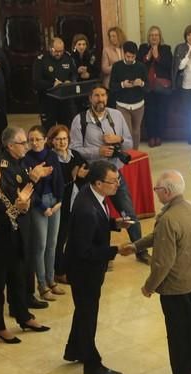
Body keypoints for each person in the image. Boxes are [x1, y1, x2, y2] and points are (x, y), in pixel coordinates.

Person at [129, 170, 191, 374]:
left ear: (166, 191)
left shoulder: (167, 219)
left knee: (178, 336)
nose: (155, 193)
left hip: (177, 290)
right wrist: (136, 246)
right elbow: (160, 237)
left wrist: (149, 286)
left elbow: (163, 262)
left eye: (157, 189)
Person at [63, 160, 131, 374]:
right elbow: (85, 251)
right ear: (99, 183)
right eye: (113, 181)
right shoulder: (86, 209)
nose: (117, 185)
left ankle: (74, 349)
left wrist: (114, 224)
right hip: (84, 271)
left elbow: (98, 224)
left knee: (83, 310)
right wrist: (115, 250)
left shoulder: (92, 195)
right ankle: (92, 364)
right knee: (88, 314)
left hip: (86, 269)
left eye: (117, 179)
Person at [68, 85, 151, 264]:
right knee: (95, 215)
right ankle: (100, 255)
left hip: (115, 174)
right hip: (92, 177)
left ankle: (140, 250)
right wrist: (98, 151)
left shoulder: (117, 115)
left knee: (129, 212)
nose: (100, 99)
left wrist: (119, 140)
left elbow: (129, 144)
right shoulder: (79, 120)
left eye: (103, 95)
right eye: (96, 95)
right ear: (90, 98)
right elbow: (74, 148)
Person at [0, 155, 50, 343]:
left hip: (14, 243)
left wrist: (24, 206)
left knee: (18, 282)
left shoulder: (4, 188)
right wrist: (17, 207)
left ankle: (24, 317)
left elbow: (18, 211)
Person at [0, 127, 53, 309]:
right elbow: (14, 193)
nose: (27, 147)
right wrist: (33, 179)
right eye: (22, 143)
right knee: (19, 261)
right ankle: (18, 302)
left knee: (28, 256)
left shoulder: (20, 161)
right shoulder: (4, 166)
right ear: (10, 145)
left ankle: (27, 296)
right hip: (15, 219)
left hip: (26, 216)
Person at [24, 126, 65, 301]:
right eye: (31, 140)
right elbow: (30, 189)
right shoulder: (26, 160)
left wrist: (58, 202)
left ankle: (51, 279)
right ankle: (41, 284)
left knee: (52, 243)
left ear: (44, 140)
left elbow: (60, 180)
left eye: (38, 139)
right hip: (38, 204)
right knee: (40, 245)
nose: (34, 143)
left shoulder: (52, 155)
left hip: (54, 201)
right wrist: (43, 207)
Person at [46, 124, 88, 285]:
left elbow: (85, 172)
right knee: (59, 239)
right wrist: (74, 176)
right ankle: (59, 271)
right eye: (58, 139)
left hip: (75, 202)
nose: (62, 142)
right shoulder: (50, 158)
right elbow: (58, 182)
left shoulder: (74, 155)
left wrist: (79, 175)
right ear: (52, 141)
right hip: (59, 204)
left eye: (64, 139)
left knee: (72, 237)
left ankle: (70, 267)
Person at [138, 25, 173, 148]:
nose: (154, 37)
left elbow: (169, 65)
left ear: (160, 37)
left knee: (161, 112)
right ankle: (151, 137)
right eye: (152, 35)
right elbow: (138, 65)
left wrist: (157, 56)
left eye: (156, 35)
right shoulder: (143, 48)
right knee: (149, 113)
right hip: (147, 87)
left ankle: (159, 136)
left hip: (161, 87)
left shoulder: (166, 49)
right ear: (148, 37)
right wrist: (147, 57)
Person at [109, 41, 148, 150]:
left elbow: (148, 87)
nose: (130, 59)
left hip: (138, 104)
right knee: (127, 132)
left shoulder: (141, 66)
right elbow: (111, 86)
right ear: (123, 54)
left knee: (136, 131)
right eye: (128, 56)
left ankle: (135, 153)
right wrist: (122, 84)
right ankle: (127, 153)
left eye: (133, 56)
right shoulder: (117, 66)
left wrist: (141, 83)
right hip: (122, 104)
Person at [32, 37, 77, 130]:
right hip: (48, 100)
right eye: (56, 51)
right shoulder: (41, 60)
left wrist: (71, 81)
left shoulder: (67, 57)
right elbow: (36, 82)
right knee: (48, 129)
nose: (59, 54)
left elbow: (74, 74)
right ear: (50, 48)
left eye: (61, 51)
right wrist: (52, 84)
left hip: (65, 100)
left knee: (66, 128)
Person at [71, 33, 98, 112]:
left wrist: (89, 75)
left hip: (89, 86)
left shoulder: (91, 56)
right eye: (79, 44)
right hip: (76, 89)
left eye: (84, 44)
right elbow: (68, 74)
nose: (81, 47)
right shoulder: (70, 57)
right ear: (75, 45)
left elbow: (97, 72)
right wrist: (77, 71)